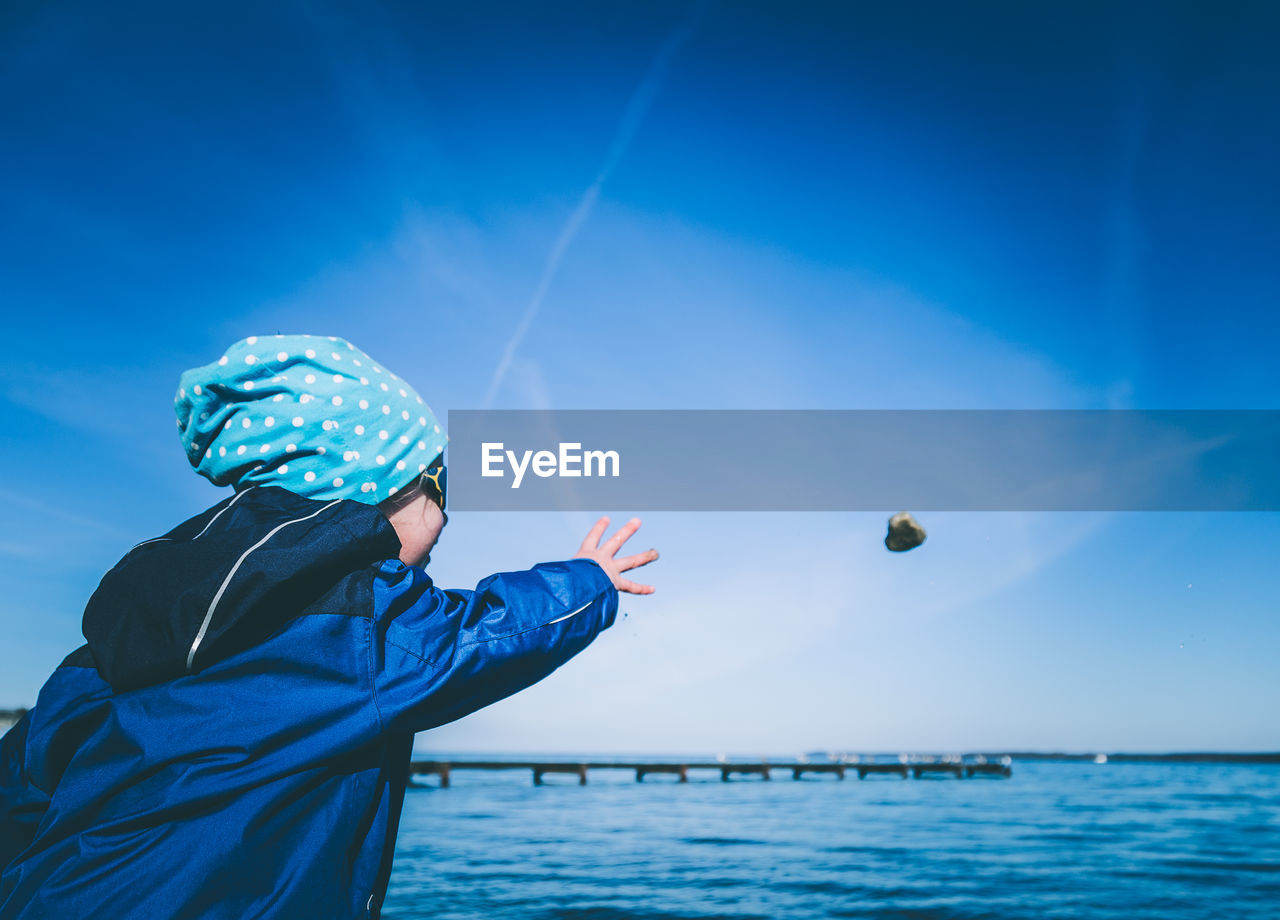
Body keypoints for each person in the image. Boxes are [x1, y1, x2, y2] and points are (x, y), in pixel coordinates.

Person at [0, 334, 657, 919]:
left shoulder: (125, 627)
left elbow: (23, 786)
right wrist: (590, 580)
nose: (447, 518)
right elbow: (489, 634)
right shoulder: (357, 625)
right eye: (440, 489)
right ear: (383, 491)